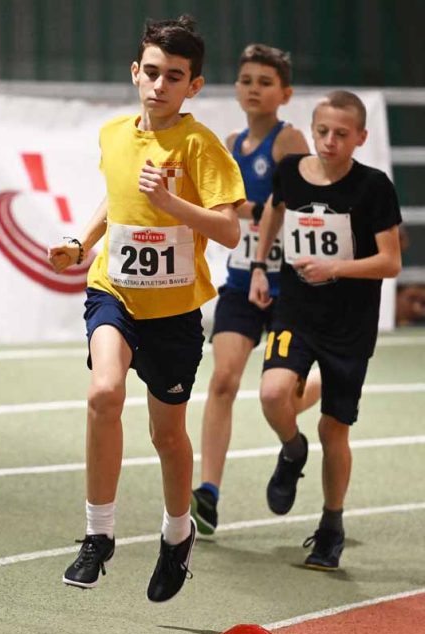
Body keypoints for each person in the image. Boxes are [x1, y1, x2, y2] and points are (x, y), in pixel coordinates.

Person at [48, 15, 245, 602]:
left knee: (167, 435)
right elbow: (115, 200)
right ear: (135, 72)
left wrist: (171, 202)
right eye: (152, 72)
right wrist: (81, 243)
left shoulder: (200, 146)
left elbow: (230, 231)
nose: (160, 85)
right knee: (104, 393)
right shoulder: (114, 134)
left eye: (174, 76)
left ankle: (177, 535)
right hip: (114, 291)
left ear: (194, 85)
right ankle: (98, 535)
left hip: (175, 312)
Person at [249, 90, 402, 570]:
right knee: (273, 392)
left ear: (361, 137)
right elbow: (274, 210)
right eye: (322, 131)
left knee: (334, 428)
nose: (330, 141)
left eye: (341, 134)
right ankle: (292, 450)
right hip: (296, 311)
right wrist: (259, 266)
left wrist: (335, 267)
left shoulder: (374, 187)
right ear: (311, 129)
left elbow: (391, 262)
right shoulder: (290, 171)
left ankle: (331, 525)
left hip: (350, 323)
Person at [190, 44, 320, 536]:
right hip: (242, 280)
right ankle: (208, 492)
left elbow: (296, 205)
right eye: (246, 80)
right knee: (223, 381)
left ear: (284, 94)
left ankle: (293, 442)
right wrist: (246, 210)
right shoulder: (231, 142)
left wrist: (251, 211)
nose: (253, 89)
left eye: (265, 82)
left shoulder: (290, 141)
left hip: (289, 285)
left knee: (281, 393)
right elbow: (224, 206)